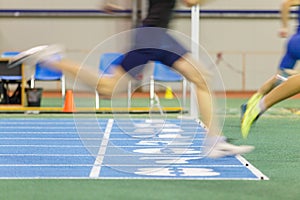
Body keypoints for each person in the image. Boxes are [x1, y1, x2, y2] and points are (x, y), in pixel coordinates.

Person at [10, 0, 254, 158]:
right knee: (200, 77)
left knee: (109, 88)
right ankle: (213, 141)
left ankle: (52, 59)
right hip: (153, 36)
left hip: (153, 35)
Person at [241, 0, 300, 138]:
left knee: (281, 76)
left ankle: (251, 103)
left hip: (294, 41)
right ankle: (257, 107)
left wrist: (284, 27)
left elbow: (286, 4)